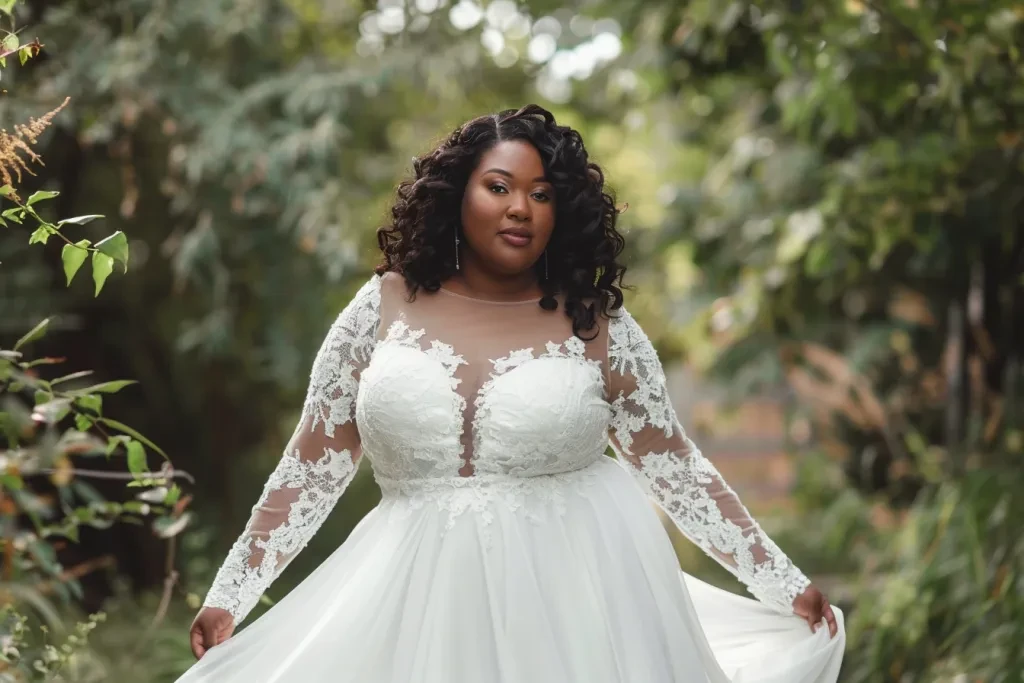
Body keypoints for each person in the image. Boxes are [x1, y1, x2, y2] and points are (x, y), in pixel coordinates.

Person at [178, 104, 844, 683]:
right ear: (456, 194)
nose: (522, 208)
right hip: (415, 602)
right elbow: (311, 464)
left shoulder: (596, 323)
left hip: (576, 606)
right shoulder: (380, 307)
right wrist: (231, 592)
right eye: (499, 187)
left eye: (543, 194)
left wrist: (781, 583)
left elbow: (676, 467)